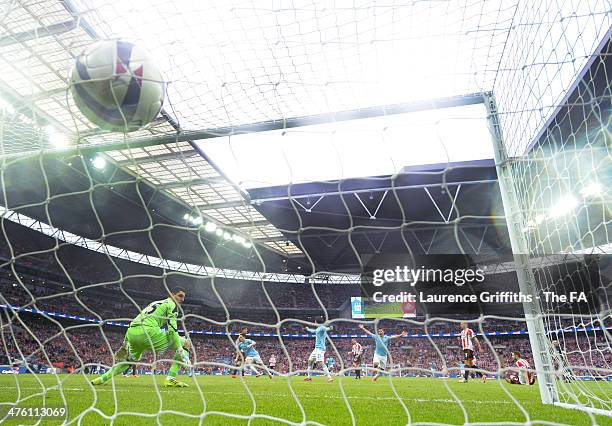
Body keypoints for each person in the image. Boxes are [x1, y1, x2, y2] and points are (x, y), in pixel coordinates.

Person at [91, 288, 190, 388]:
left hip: (132, 333)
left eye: (183, 297)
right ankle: (170, 379)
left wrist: (125, 343)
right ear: (171, 294)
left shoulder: (156, 303)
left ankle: (101, 379)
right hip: (149, 332)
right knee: (186, 343)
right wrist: (180, 349)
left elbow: (135, 321)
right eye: (180, 295)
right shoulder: (172, 305)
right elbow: (172, 329)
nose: (182, 299)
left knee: (129, 361)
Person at [304, 317, 333, 382]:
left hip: (320, 349)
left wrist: (330, 328)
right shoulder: (318, 328)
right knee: (310, 361)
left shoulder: (322, 327)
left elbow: (326, 329)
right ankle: (309, 377)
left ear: (316, 321)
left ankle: (329, 377)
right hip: (316, 348)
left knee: (320, 362)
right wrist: (308, 329)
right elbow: (314, 331)